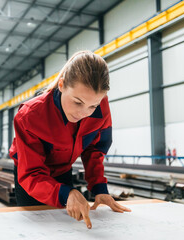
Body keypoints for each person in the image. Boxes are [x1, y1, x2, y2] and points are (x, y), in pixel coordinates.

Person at [9, 50, 131, 229]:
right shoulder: (30, 116)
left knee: (67, 227)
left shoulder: (100, 106)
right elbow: (31, 173)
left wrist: (99, 189)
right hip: (31, 176)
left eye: (92, 106)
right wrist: (66, 194)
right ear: (62, 84)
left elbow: (95, 151)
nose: (84, 113)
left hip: (62, 170)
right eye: (77, 102)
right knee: (35, 229)